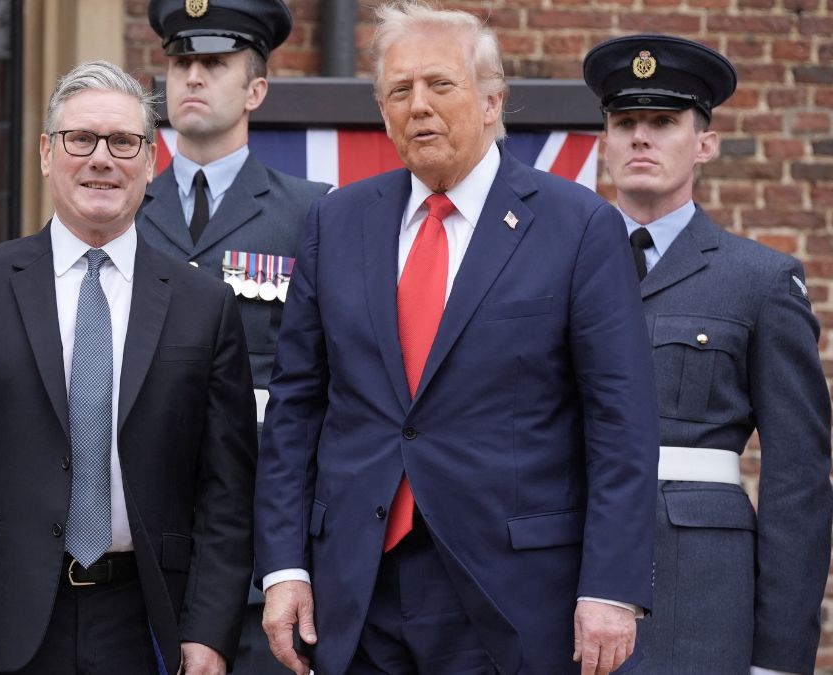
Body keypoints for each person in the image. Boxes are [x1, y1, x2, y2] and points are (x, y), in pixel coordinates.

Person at [254, 3, 661, 674]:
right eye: (399, 90)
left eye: (440, 85)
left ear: (493, 99)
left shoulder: (577, 226)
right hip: (357, 589)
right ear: (383, 112)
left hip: (511, 590)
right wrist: (285, 567)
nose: (418, 106)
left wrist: (612, 586)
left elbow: (620, 423)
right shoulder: (337, 222)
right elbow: (296, 408)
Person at [0, 60, 257, 675]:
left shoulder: (206, 305)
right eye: (80, 139)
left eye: (123, 142)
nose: (101, 158)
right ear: (45, 153)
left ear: (150, 162)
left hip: (150, 626)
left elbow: (226, 492)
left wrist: (211, 630)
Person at [584, 34, 833, 675]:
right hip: (561, 578)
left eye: (664, 122)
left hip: (698, 596)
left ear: (704, 145)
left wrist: (779, 658)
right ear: (603, 143)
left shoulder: (760, 280)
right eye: (625, 122)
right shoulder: (557, 270)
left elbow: (798, 480)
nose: (641, 137)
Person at [138, 1, 333, 671]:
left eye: (214, 64)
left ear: (255, 88)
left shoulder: (313, 214)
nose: (192, 77)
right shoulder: (122, 211)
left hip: (261, 548)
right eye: (180, 61)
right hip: (140, 542)